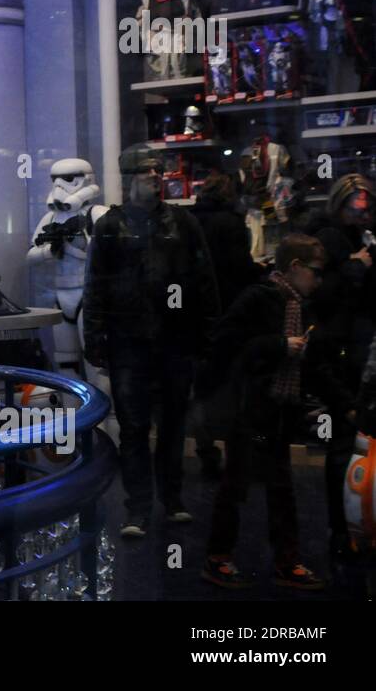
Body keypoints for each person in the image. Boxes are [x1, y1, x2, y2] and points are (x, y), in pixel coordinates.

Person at [202, 234, 356, 589]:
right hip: (250, 411)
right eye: (315, 271)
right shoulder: (260, 299)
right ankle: (222, 557)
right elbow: (226, 345)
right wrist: (277, 345)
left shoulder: (296, 306)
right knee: (240, 484)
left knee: (277, 486)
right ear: (296, 268)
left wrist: (345, 405)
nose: (319, 280)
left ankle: (280, 561)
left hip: (274, 411)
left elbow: (313, 364)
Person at [83, 145, 220, 538]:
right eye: (147, 171)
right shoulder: (111, 226)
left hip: (174, 341)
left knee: (173, 427)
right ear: (130, 178)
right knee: (134, 429)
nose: (156, 176)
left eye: (158, 171)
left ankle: (172, 500)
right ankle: (138, 507)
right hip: (129, 343)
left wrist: (207, 336)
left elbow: (205, 281)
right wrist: (96, 339)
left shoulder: (182, 222)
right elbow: (95, 286)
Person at [303, 173, 376, 557]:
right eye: (355, 209)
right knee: (343, 447)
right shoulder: (329, 242)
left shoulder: (361, 238)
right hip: (340, 355)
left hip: (361, 353)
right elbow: (321, 296)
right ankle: (342, 530)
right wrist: (354, 270)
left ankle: (357, 526)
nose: (361, 215)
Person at [189, 171, 265, 478]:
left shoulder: (187, 221)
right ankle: (240, 456)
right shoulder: (230, 223)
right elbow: (239, 268)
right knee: (235, 385)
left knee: (201, 388)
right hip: (228, 313)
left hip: (194, 315)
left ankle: (206, 449)